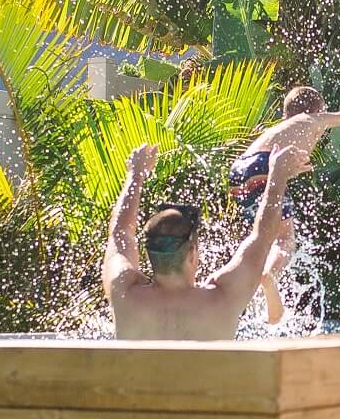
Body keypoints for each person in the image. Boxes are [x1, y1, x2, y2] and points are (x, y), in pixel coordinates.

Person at [105, 140, 306, 341]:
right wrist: (277, 175)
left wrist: (135, 174)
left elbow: (120, 233)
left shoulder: (124, 294)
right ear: (192, 255)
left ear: (150, 255)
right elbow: (263, 236)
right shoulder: (222, 298)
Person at [229, 86, 340, 323]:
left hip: (238, 172)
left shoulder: (278, 129)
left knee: (261, 236)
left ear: (286, 115)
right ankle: (268, 276)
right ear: (318, 110)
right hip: (265, 165)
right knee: (285, 239)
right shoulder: (313, 119)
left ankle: (247, 286)